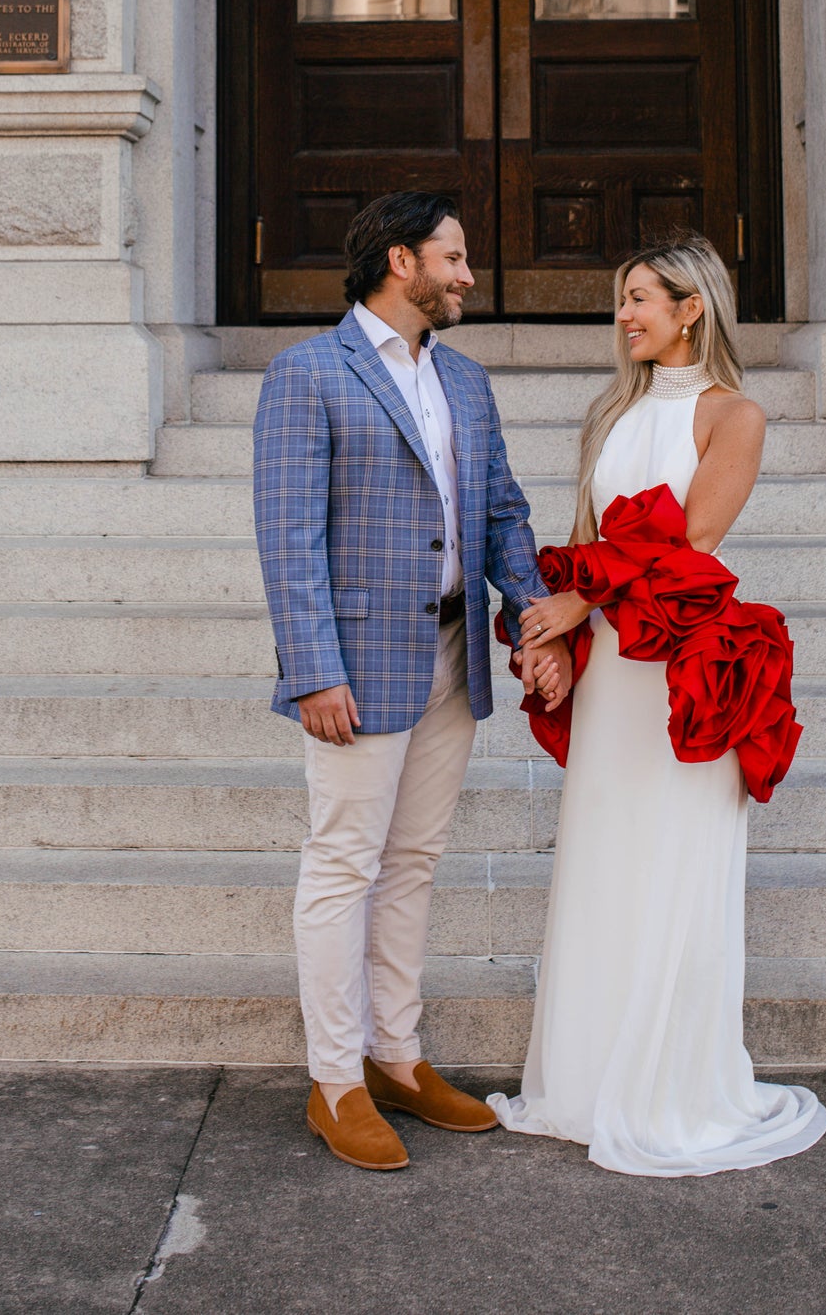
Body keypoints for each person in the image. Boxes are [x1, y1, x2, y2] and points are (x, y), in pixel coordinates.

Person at [489, 233, 826, 1175]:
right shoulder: (611, 411)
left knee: (674, 867)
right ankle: (587, 1084)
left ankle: (672, 1089)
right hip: (612, 672)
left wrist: (579, 600)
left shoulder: (736, 415)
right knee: (602, 861)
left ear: (692, 308)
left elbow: (692, 544)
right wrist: (552, 638)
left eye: (641, 297)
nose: (624, 314)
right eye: (622, 298)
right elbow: (581, 539)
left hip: (683, 672)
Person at [253, 191, 571, 1172]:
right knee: (342, 860)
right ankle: (334, 1079)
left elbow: (503, 514)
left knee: (413, 861)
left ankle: (396, 1055)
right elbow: (288, 535)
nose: (468, 274)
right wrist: (312, 669)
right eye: (454, 256)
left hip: (449, 658)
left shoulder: (465, 382)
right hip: (353, 665)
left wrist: (532, 617)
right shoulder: (307, 373)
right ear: (400, 261)